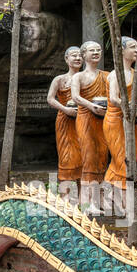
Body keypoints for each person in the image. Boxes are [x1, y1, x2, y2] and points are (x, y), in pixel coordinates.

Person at [103, 37, 137, 215]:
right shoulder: (116, 74)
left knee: (127, 160)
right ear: (122, 51)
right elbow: (114, 99)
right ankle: (127, 208)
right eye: (132, 47)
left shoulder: (135, 74)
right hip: (115, 122)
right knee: (123, 162)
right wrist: (133, 107)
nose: (136, 50)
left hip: (130, 122)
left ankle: (113, 202)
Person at [70, 40, 110, 213]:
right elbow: (75, 97)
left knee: (103, 156)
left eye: (98, 50)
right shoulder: (78, 77)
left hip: (103, 119)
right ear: (84, 54)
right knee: (89, 157)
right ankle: (86, 203)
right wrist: (91, 106)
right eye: (92, 50)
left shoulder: (107, 76)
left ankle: (100, 200)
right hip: (86, 117)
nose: (95, 53)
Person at [46, 46, 83, 199]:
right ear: (67, 59)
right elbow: (50, 99)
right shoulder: (60, 79)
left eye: (80, 55)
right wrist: (65, 110)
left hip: (83, 120)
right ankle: (65, 197)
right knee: (67, 156)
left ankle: (83, 198)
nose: (77, 58)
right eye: (74, 55)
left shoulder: (86, 78)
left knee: (85, 155)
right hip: (65, 120)